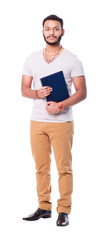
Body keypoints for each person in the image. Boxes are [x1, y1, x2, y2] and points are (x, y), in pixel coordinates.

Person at [21, 14, 87, 226]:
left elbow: (82, 92)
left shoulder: (72, 60)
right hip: (36, 122)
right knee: (41, 167)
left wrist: (60, 106)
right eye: (48, 29)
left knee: (63, 168)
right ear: (42, 32)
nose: (52, 32)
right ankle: (44, 207)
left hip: (62, 123)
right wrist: (37, 94)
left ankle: (64, 210)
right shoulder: (31, 58)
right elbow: (24, 89)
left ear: (62, 32)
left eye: (56, 29)